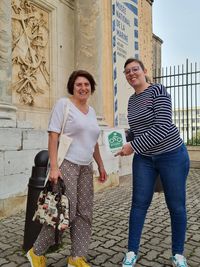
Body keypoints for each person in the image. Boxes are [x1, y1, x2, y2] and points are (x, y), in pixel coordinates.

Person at [27, 70, 107, 267]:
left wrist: (101, 164)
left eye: (87, 84)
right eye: (79, 84)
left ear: (91, 88)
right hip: (67, 165)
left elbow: (93, 142)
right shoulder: (64, 105)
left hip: (86, 166)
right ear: (72, 86)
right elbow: (53, 136)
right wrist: (54, 167)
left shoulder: (92, 111)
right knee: (65, 213)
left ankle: (77, 257)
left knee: (85, 213)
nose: (83, 88)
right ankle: (36, 252)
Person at [115, 58, 190, 267]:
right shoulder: (132, 100)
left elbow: (163, 127)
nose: (131, 74)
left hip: (171, 155)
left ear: (144, 71)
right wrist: (121, 139)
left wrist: (133, 146)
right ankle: (131, 252)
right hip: (145, 159)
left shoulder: (158, 90)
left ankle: (178, 254)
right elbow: (137, 131)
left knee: (176, 206)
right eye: (127, 71)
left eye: (135, 69)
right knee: (138, 204)